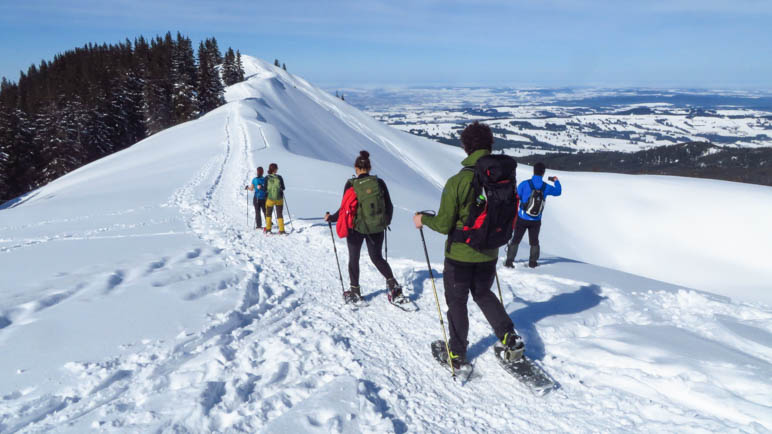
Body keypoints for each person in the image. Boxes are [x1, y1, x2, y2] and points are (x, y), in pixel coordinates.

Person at [414, 121, 523, 369]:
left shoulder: (458, 181)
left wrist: (422, 219)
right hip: (490, 251)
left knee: (457, 301)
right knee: (483, 294)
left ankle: (457, 353)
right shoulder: (503, 177)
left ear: (465, 147)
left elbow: (443, 224)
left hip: (460, 255)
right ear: (489, 145)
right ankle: (509, 335)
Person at [325, 151, 402, 303]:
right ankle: (393, 286)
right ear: (369, 167)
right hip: (377, 227)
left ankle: (355, 291)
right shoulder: (379, 183)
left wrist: (331, 218)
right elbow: (389, 206)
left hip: (356, 228)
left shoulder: (351, 184)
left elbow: (344, 208)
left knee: (354, 258)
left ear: (356, 168)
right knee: (377, 257)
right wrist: (385, 222)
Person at [504, 162, 562, 268]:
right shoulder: (546, 187)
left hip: (522, 218)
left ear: (533, 171)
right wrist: (555, 181)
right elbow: (558, 192)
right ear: (543, 173)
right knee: (534, 241)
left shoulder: (525, 184)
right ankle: (533, 262)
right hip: (536, 220)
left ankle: (509, 261)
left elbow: (517, 196)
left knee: (516, 239)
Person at [264, 163, 287, 235]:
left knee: (268, 214)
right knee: (279, 214)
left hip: (270, 199)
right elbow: (283, 188)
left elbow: (265, 188)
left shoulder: (267, 178)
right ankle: (282, 230)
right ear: (275, 169)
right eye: (277, 168)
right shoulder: (279, 177)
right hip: (279, 199)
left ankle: (268, 230)